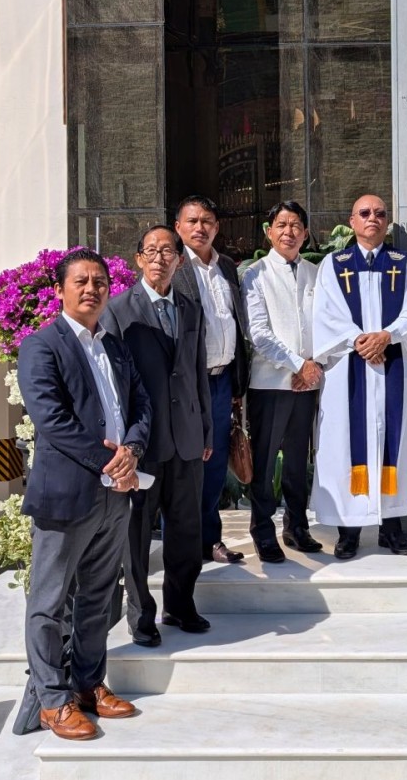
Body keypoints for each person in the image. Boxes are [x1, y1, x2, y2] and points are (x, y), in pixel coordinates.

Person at [17, 248, 150, 739]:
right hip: (67, 496)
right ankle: (52, 699)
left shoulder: (113, 346)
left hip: (115, 495)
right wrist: (108, 460)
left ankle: (89, 684)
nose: (92, 288)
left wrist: (132, 448)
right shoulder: (41, 345)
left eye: (99, 281)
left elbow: (141, 403)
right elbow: (50, 419)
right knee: (49, 602)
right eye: (81, 281)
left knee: (97, 597)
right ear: (60, 290)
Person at [103, 226, 213, 646]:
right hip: (142, 442)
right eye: (151, 251)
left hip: (186, 438)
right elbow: (116, 384)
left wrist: (205, 427)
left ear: (180, 261)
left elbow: (198, 371)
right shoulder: (117, 310)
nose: (159, 258)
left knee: (186, 528)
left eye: (168, 251)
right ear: (137, 259)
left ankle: (181, 606)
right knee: (136, 533)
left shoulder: (190, 308)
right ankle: (140, 616)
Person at [313, 194, 407, 559]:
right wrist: (359, 341)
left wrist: (387, 336)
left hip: (392, 364)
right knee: (346, 443)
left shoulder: (405, 263)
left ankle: (391, 529)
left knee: (392, 439)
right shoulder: (334, 265)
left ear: (388, 222)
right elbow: (325, 314)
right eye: (365, 213)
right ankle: (348, 532)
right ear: (352, 221)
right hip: (349, 366)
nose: (373, 219)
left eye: (380, 214)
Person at [241, 201, 323, 563]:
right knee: (263, 461)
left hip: (307, 384)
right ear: (269, 231)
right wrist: (296, 364)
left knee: (295, 461)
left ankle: (296, 525)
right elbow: (258, 333)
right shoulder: (254, 274)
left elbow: (325, 324)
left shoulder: (315, 273)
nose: (289, 231)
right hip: (270, 384)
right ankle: (263, 531)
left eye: (296, 226)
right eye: (282, 224)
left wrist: (313, 365)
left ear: (305, 234)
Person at [173, 196, 250, 564]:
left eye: (207, 221)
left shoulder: (228, 269)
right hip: (188, 385)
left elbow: (236, 324)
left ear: (217, 228)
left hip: (221, 383)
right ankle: (184, 542)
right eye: (192, 221)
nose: (200, 227)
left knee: (215, 463)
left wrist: (237, 386)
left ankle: (210, 539)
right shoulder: (172, 268)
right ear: (178, 227)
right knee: (187, 464)